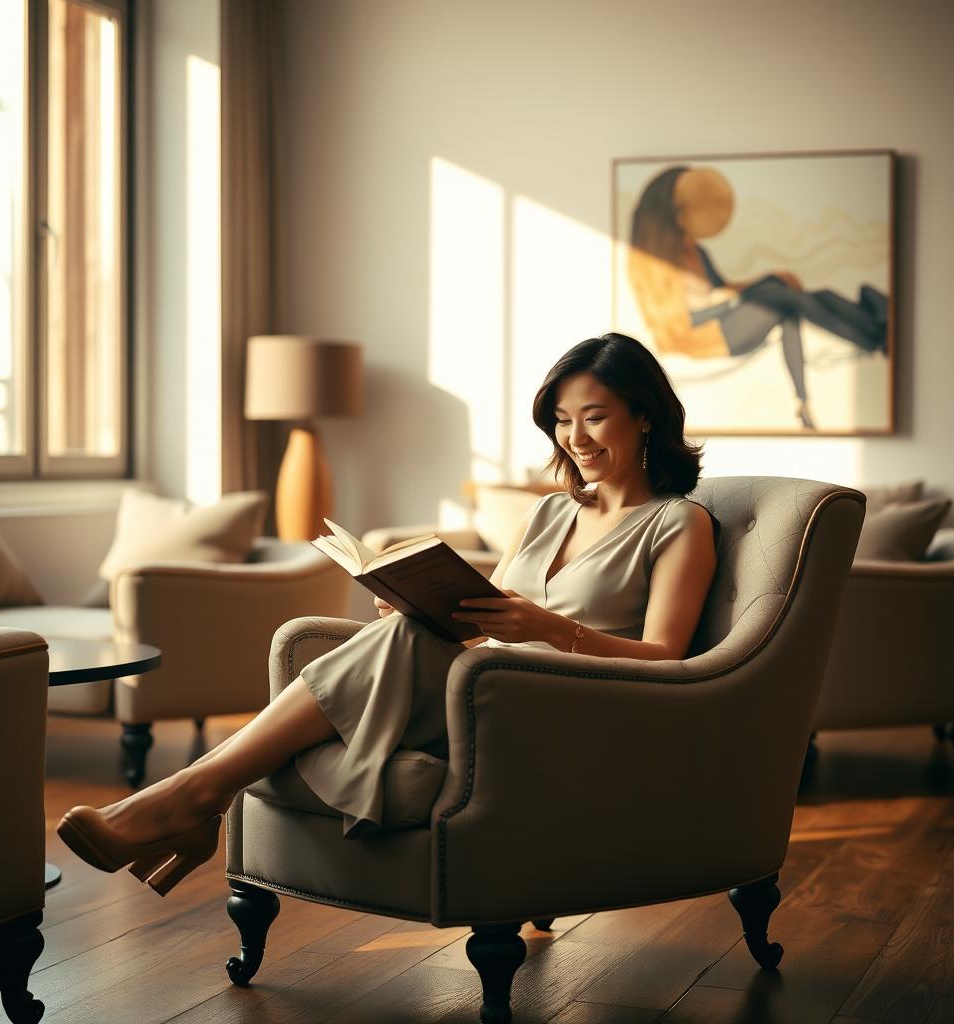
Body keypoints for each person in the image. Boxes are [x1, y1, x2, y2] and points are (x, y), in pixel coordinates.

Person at [57, 333, 719, 895]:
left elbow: (669, 659)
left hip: (562, 708)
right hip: (478, 687)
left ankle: (194, 796)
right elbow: (487, 609)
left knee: (387, 662)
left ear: (646, 417)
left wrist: (551, 630)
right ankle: (195, 797)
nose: (574, 437)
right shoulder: (549, 512)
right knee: (407, 627)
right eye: (562, 419)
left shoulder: (679, 524)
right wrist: (420, 599)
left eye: (595, 417)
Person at [627, 165, 888, 429]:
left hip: (725, 319)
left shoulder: (697, 251)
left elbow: (724, 288)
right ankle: (872, 329)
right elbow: (688, 317)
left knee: (791, 301)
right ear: (672, 212)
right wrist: (738, 295)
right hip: (706, 336)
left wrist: (765, 278)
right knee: (783, 298)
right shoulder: (658, 265)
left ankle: (802, 401)